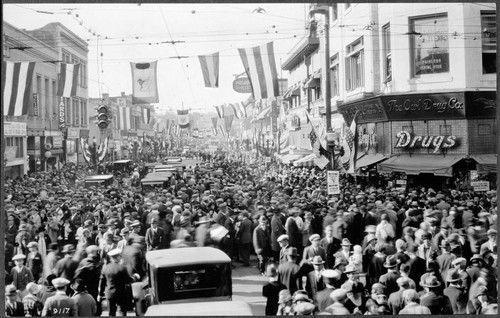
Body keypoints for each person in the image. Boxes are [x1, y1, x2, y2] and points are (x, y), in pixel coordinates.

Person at [99, 248, 135, 316]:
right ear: (117, 257)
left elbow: (102, 282)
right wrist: (134, 278)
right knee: (122, 311)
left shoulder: (105, 267)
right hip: (121, 293)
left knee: (111, 312)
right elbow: (127, 280)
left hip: (109, 293)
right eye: (119, 256)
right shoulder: (122, 267)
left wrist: (100, 294)